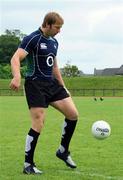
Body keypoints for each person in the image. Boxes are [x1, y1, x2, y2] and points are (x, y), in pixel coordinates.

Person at [10, 12, 79, 175]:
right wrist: (17, 76)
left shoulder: (54, 42)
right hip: (35, 84)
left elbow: (55, 67)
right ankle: (28, 164)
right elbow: (15, 58)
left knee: (73, 114)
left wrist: (64, 87)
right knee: (39, 123)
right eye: (57, 27)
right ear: (47, 24)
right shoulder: (32, 39)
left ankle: (63, 151)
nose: (59, 31)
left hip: (52, 84)